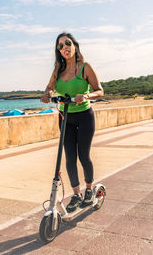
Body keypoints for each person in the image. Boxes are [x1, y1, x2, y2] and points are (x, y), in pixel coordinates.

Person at [41, 32, 104, 213]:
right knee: (69, 158)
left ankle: (89, 190)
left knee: (84, 156)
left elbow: (99, 91)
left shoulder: (85, 67)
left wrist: (85, 95)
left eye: (67, 43)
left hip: (84, 116)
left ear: (74, 45)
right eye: (60, 46)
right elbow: (49, 89)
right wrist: (47, 95)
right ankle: (76, 194)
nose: (64, 48)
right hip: (65, 118)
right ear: (58, 51)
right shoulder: (58, 71)